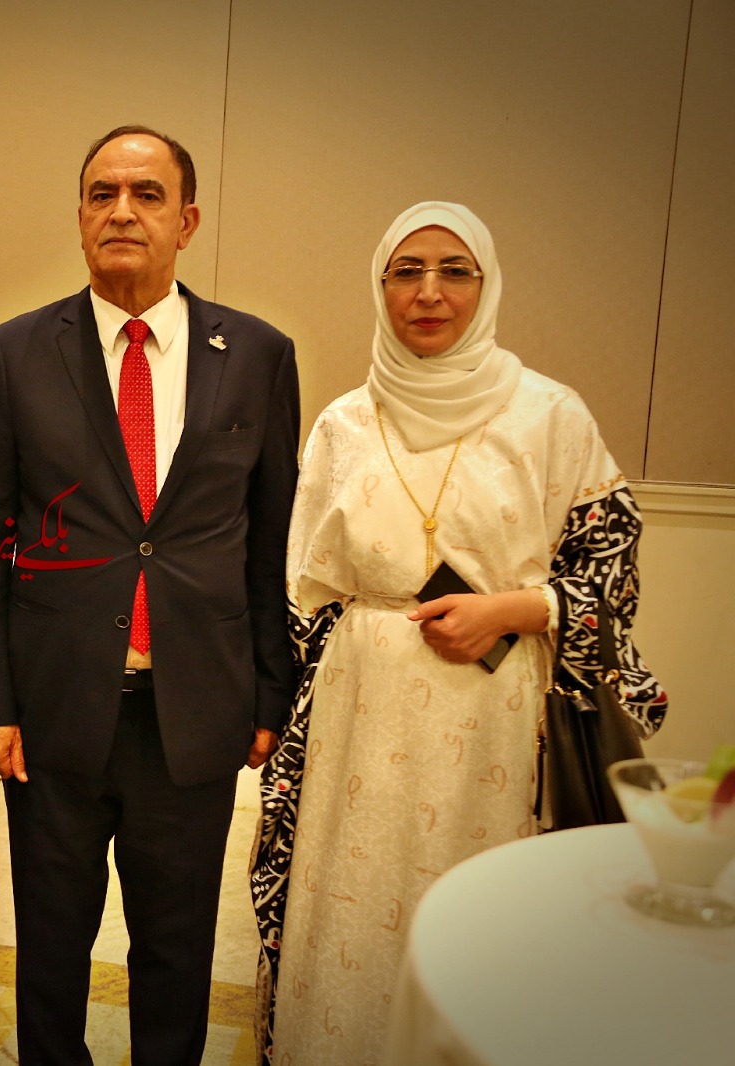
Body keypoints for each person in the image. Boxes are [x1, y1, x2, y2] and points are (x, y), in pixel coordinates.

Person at [251, 201, 668, 1065]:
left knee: (474, 903)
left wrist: (513, 611)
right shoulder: (343, 422)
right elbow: (301, 591)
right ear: (381, 288)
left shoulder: (550, 415)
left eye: (455, 271)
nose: (429, 293)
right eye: (406, 272)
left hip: (492, 719)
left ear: (487, 284)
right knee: (351, 900)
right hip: (360, 716)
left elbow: (611, 571)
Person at [0, 124, 300, 1063]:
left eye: (147, 195)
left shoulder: (258, 354)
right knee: (51, 954)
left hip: (195, 713)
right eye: (102, 193)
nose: (122, 211)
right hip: (53, 712)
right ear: (78, 217)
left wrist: (268, 693)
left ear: (187, 222)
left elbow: (272, 539)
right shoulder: (18, 351)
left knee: (177, 958)